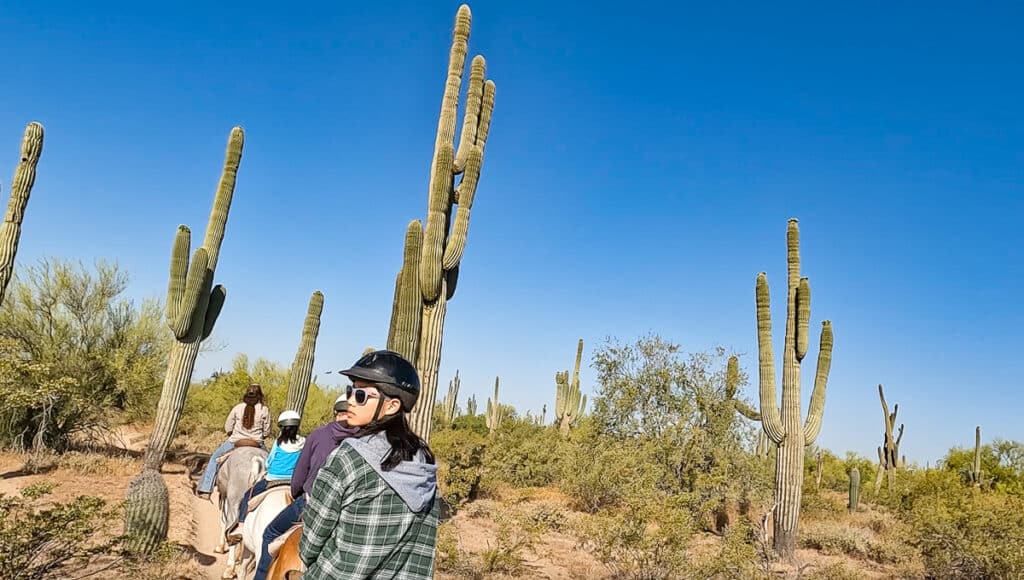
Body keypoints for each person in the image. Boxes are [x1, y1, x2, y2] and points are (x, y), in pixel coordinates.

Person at [299, 350, 439, 580]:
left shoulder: (348, 457)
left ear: (392, 406)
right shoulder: (425, 464)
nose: (350, 401)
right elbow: (423, 549)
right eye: (350, 391)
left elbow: (310, 544)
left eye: (361, 395)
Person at [252, 394, 360, 580]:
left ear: (335, 412)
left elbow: (300, 474)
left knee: (270, 533)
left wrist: (296, 494)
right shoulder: (365, 439)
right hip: (351, 511)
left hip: (312, 503)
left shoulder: (319, 434)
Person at [227, 410, 306, 541]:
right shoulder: (303, 442)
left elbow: (269, 461)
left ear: (281, 427)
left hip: (272, 480)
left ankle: (240, 525)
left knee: (248, 495)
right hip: (294, 483)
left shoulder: (278, 442)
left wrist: (269, 467)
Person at [195, 383, 271, 499]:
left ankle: (205, 489)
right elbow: (267, 431)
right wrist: (260, 436)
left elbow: (228, 426)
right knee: (270, 464)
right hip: (257, 443)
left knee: (214, 459)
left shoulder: (238, 407)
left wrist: (232, 433)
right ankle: (270, 490)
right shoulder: (264, 410)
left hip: (236, 441)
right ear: (260, 395)